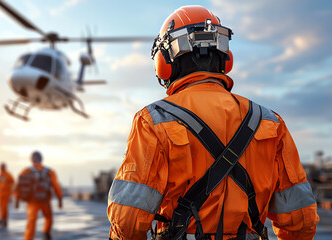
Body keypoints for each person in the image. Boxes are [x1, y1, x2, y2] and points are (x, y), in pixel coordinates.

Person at [107, 5, 319, 240]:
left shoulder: (152, 121)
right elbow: (301, 222)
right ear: (225, 57)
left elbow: (128, 223)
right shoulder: (270, 122)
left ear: (165, 62)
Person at [16, 151, 63, 240]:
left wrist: (17, 199)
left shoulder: (26, 171)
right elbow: (56, 185)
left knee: (31, 222)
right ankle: (46, 233)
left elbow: (19, 186)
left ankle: (28, 238)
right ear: (41, 159)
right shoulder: (50, 171)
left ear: (31, 160)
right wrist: (60, 198)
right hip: (45, 200)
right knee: (49, 218)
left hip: (32, 201)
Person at [0, 162, 14, 228]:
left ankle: (4, 219)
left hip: (6, 194)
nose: (2, 169)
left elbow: (12, 182)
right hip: (0, 195)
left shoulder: (8, 175)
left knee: (4, 207)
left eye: (2, 168)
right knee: (1, 207)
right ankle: (2, 219)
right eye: (1, 168)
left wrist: (6, 181)